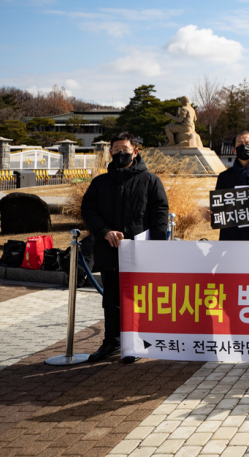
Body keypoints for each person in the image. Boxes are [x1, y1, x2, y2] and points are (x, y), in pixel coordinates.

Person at [81, 132, 169, 363]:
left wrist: (158, 248)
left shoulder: (150, 180)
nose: (121, 154)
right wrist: (104, 231)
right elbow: (88, 210)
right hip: (110, 250)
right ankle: (112, 341)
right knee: (111, 300)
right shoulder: (100, 182)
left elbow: (160, 215)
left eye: (125, 150)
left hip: (140, 252)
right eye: (116, 150)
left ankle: (138, 342)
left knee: (139, 300)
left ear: (135, 152)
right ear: (110, 152)